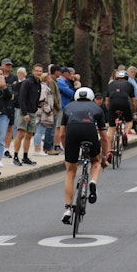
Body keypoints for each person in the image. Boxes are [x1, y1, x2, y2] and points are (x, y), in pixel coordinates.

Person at [59, 87, 110, 224]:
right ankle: (93, 181)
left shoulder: (68, 107)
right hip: (89, 130)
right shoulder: (97, 108)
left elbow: (62, 134)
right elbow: (104, 137)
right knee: (95, 162)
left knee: (70, 171)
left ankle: (67, 208)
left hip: (72, 132)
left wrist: (67, 149)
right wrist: (104, 157)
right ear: (92, 98)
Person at [105, 69, 137, 161]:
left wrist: (109, 110)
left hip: (113, 105)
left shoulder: (111, 84)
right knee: (129, 121)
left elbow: (107, 101)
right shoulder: (129, 85)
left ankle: (109, 152)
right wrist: (133, 112)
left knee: (111, 128)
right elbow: (133, 102)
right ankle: (125, 133)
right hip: (124, 104)